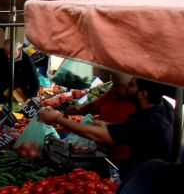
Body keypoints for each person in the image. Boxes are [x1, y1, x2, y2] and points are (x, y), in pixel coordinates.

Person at [38, 77, 173, 180]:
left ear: (143, 94)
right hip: (151, 173)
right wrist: (109, 125)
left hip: (150, 180)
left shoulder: (146, 121)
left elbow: (97, 135)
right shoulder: (162, 107)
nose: (126, 88)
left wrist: (57, 118)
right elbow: (131, 132)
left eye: (131, 85)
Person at [66, 71, 137, 162]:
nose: (114, 87)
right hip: (102, 150)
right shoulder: (114, 93)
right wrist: (78, 110)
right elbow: (95, 105)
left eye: (117, 85)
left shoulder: (140, 105)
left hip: (125, 157)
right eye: (114, 84)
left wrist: (58, 119)